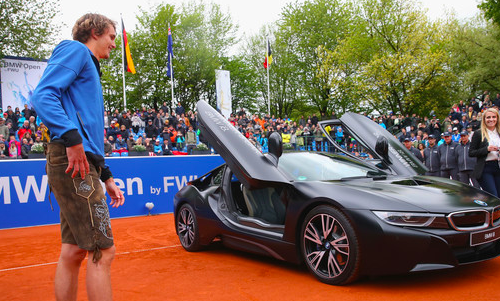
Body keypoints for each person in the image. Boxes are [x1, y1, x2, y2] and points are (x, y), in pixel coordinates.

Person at [30, 13, 124, 301]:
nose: (113, 44)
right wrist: (71, 138)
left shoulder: (89, 66)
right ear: (95, 31)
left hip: (82, 162)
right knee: (103, 250)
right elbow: (43, 95)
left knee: (73, 252)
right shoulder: (76, 50)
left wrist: (104, 174)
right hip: (72, 159)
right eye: (111, 36)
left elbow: (89, 134)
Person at [470, 108, 500, 197]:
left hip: (498, 167)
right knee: (493, 196)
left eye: (494, 117)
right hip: (485, 168)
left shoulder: (498, 133)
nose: (491, 119)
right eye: (488, 117)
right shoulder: (478, 133)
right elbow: (471, 152)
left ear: (497, 118)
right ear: (484, 120)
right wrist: (486, 149)